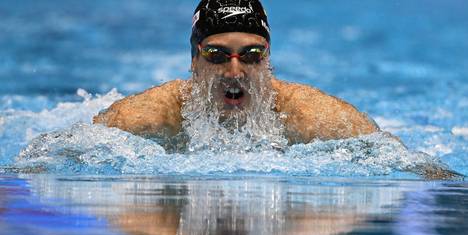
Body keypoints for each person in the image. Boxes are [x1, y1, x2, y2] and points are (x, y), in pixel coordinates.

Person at [93, 0, 461, 179]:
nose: (234, 71)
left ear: (268, 60)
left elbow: (414, 166)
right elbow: (58, 156)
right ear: (194, 61)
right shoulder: (144, 117)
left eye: (251, 55)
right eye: (216, 55)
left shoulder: (316, 118)